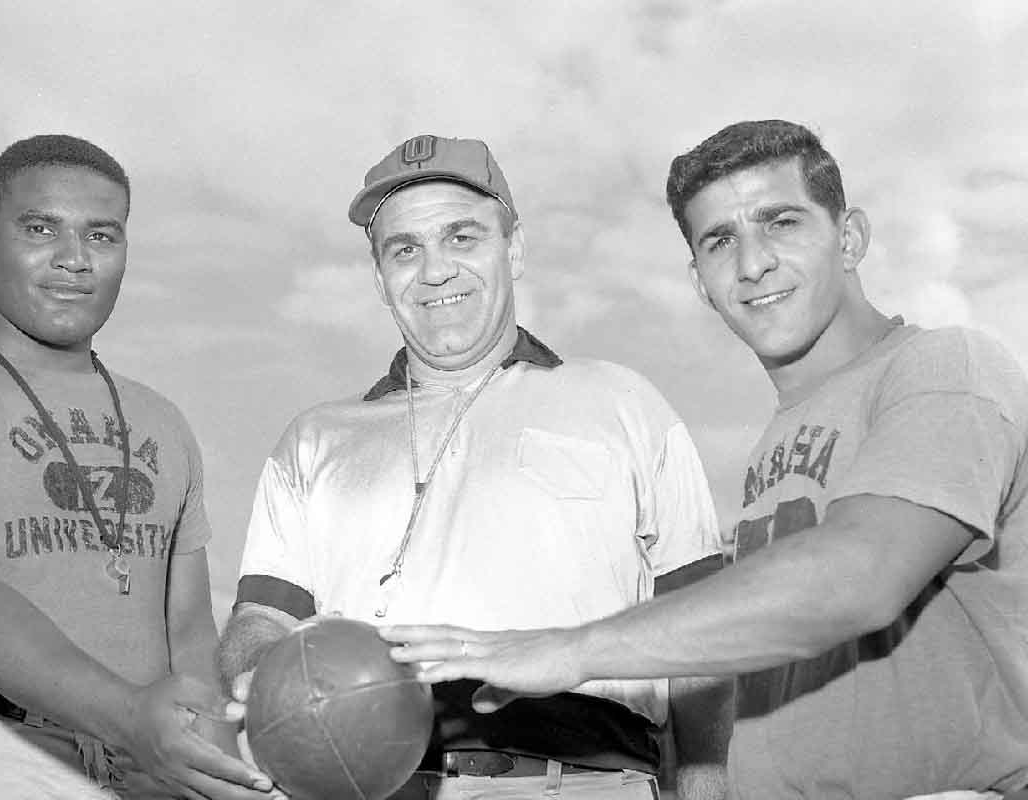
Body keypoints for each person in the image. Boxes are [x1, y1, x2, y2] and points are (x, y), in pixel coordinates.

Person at [384, 120, 1028, 799]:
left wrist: (565, 649)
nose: (752, 264)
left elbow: (861, 574)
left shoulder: (945, 365)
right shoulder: (773, 448)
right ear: (699, 281)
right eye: (720, 240)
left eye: (781, 222)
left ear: (850, 238)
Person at [218, 134, 732, 800]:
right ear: (379, 279)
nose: (435, 271)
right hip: (364, 784)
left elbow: (699, 619)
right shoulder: (313, 439)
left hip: (581, 781)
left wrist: (706, 781)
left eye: (462, 238)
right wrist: (261, 665)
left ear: (513, 249)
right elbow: (262, 617)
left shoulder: (623, 401)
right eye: (405, 250)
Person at [0, 134, 274, 799]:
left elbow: (188, 633)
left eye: (101, 236)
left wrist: (205, 753)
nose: (74, 260)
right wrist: (128, 718)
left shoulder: (161, 422)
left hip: (146, 760)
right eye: (41, 229)